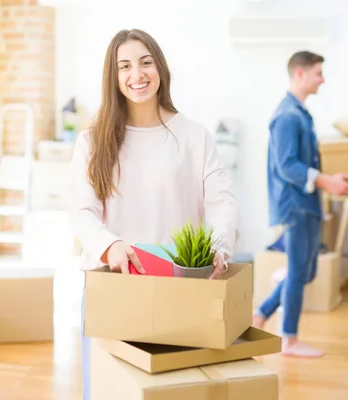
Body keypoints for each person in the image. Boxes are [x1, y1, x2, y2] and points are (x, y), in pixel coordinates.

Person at [67, 28, 240, 398]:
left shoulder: (194, 136)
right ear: (113, 78)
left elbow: (222, 202)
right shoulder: (93, 141)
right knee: (106, 390)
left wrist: (220, 247)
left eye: (146, 63)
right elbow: (82, 212)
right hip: (113, 286)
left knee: (171, 389)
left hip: (179, 288)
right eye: (124, 66)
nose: (137, 74)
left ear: (160, 68)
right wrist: (110, 245)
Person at [252, 51, 348, 358]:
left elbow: (305, 162)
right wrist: (327, 181)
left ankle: (261, 314)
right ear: (300, 74)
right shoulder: (287, 116)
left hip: (307, 203)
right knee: (298, 272)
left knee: (307, 272)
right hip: (294, 205)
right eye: (318, 73)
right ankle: (289, 340)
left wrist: (329, 178)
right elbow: (287, 167)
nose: (322, 79)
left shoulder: (300, 113)